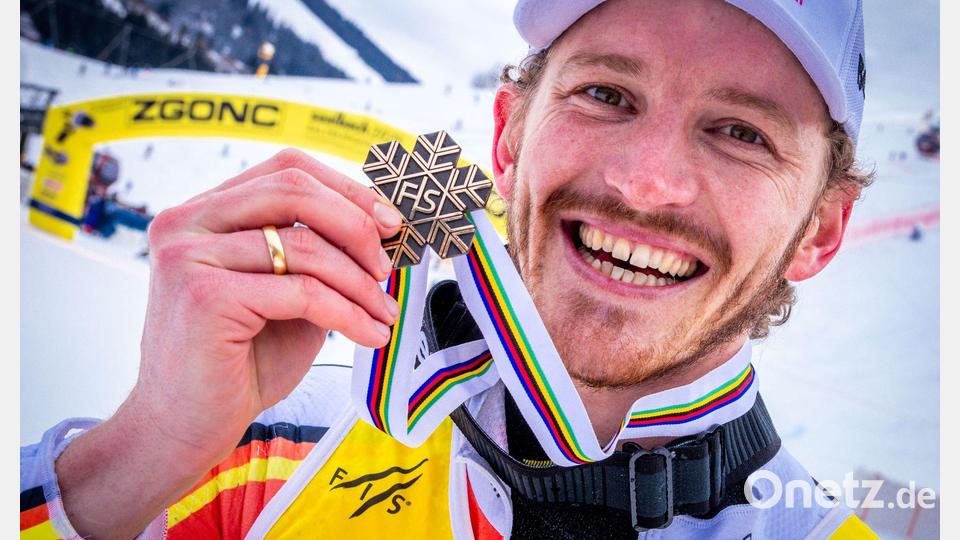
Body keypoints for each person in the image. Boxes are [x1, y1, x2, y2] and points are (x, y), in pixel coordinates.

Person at [20, 0, 879, 538]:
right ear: (508, 138)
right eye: (607, 94)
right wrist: (146, 449)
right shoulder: (267, 448)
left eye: (742, 133)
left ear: (822, 230)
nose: (644, 180)